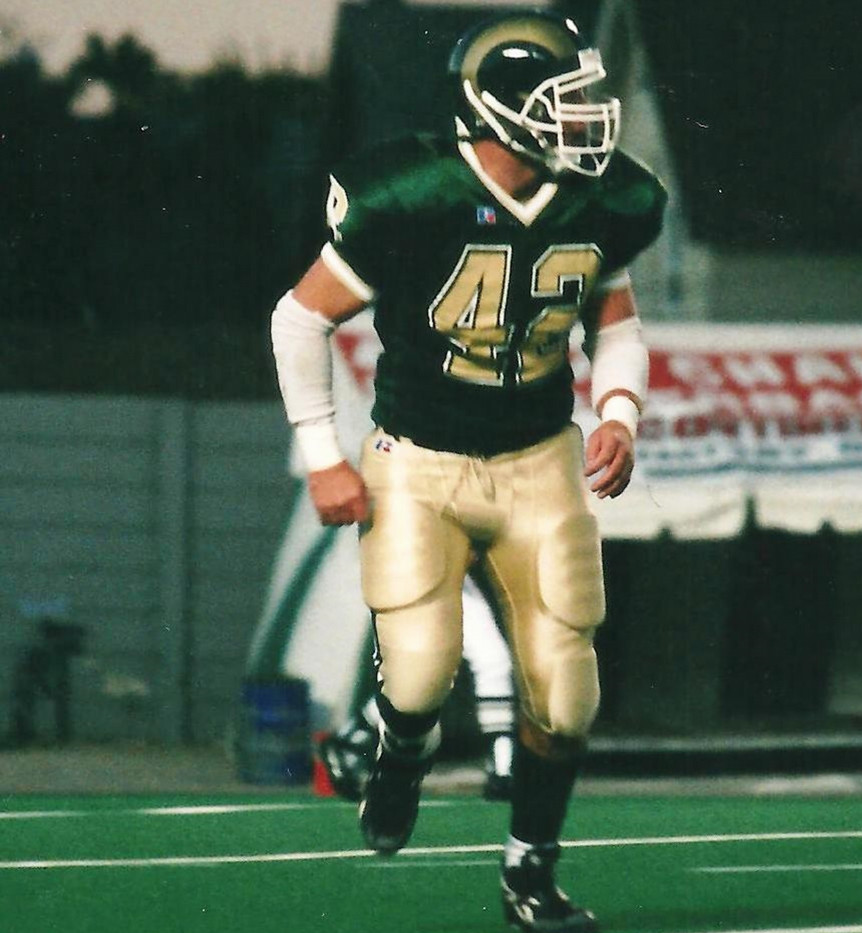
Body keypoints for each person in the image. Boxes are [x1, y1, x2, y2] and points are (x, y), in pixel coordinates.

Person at [270, 11, 666, 932]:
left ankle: (530, 872)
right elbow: (300, 318)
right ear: (498, 111)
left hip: (538, 458)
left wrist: (618, 411)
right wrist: (323, 454)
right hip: (421, 461)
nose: (586, 121)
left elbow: (615, 322)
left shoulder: (601, 199)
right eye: (561, 102)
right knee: (416, 676)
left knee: (567, 689)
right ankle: (399, 747)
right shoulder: (414, 190)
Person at [320, 574, 516, 802]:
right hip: (421, 566)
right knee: (426, 674)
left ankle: (503, 767)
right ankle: (351, 738)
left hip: (453, 570)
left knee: (488, 662)